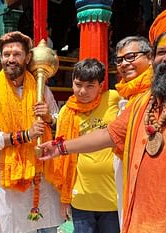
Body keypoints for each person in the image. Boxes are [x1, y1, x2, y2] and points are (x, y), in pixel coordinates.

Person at [40, 3, 166, 232]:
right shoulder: (144, 102)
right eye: (161, 52)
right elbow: (109, 134)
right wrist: (60, 147)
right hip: (146, 222)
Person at [0, 31, 63, 233]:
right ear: (0, 58)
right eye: (6, 54)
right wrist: (25, 135)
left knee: (48, 227)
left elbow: (62, 121)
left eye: (16, 54)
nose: (10, 59)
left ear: (27, 58)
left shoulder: (42, 90)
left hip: (41, 173)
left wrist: (50, 118)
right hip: (11, 179)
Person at [52, 58, 121, 232]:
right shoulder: (66, 112)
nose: (82, 91)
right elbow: (62, 159)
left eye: (90, 86)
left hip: (113, 198)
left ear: (101, 85)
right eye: (78, 84)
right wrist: (64, 199)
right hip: (81, 197)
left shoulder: (113, 98)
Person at [113, 36, 153, 225]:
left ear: (150, 57)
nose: (124, 64)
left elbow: (109, 136)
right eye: (120, 60)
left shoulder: (157, 91)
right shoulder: (124, 95)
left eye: (131, 57)